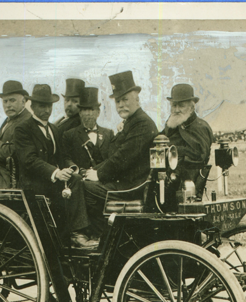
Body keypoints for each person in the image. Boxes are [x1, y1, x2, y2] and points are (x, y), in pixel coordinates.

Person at [14, 84, 97, 248]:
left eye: (49, 105)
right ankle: (76, 234)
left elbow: (63, 156)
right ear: (32, 106)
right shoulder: (23, 129)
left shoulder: (54, 129)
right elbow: (29, 160)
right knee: (74, 183)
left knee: (77, 179)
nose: (46, 110)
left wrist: (71, 168)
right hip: (33, 184)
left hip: (51, 181)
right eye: (42, 105)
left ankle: (77, 233)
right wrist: (55, 173)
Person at [84, 71, 158, 232]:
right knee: (83, 180)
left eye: (125, 99)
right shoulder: (131, 122)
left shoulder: (142, 124)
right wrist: (93, 171)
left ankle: (98, 236)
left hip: (130, 187)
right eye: (118, 101)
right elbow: (113, 154)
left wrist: (98, 174)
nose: (121, 105)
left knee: (84, 187)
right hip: (124, 182)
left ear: (137, 99)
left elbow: (122, 158)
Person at [162, 83, 214, 187]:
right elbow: (157, 140)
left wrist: (171, 151)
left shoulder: (201, 127)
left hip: (187, 185)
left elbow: (199, 156)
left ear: (191, 107)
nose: (176, 110)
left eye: (181, 106)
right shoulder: (172, 124)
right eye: (174, 105)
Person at [62, 87, 114, 176]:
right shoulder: (69, 135)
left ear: (98, 112)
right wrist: (76, 170)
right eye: (85, 110)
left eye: (92, 109)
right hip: (80, 180)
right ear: (80, 113)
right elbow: (66, 158)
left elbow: (112, 158)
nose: (88, 114)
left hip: (103, 178)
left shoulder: (108, 134)